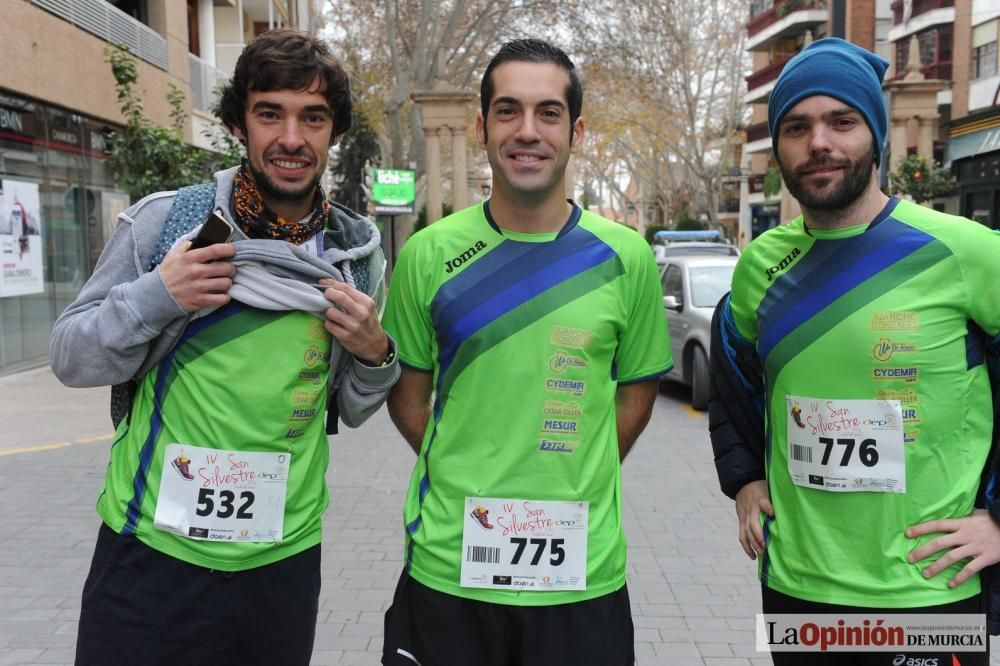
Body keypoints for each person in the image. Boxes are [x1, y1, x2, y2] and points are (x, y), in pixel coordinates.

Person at [49, 30, 399, 666]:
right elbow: (71, 356)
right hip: (151, 557)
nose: (291, 138)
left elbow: (349, 407)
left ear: (333, 132)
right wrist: (160, 294)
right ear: (240, 124)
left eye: (312, 118)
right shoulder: (170, 226)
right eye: (271, 114)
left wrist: (377, 355)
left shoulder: (355, 254)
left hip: (281, 564)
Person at [380, 38, 672, 666]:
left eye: (548, 113)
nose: (528, 131)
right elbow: (408, 402)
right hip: (450, 566)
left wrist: (573, 470)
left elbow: (638, 394)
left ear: (577, 131)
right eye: (508, 111)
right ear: (482, 128)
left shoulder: (628, 258)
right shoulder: (427, 255)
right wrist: (467, 467)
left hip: (579, 574)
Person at [709, 37, 1000, 665]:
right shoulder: (760, 266)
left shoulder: (965, 250)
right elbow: (734, 383)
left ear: (875, 134)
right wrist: (745, 479)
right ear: (779, 148)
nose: (819, 143)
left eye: (842, 121)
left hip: (927, 591)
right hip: (798, 589)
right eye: (797, 126)